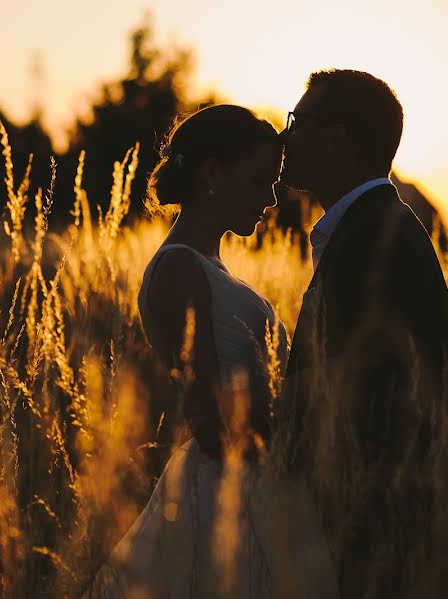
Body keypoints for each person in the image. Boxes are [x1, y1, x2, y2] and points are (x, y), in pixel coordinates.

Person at [84, 105, 337, 598]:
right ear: (212, 172)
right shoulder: (179, 269)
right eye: (260, 179)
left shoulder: (210, 266)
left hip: (262, 483)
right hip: (229, 496)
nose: (270, 199)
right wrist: (305, 406)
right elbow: (204, 414)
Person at [280, 69, 448, 598]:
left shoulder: (374, 240)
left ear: (338, 136)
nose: (286, 136)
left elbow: (348, 397)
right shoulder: (369, 227)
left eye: (298, 121)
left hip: (372, 533)